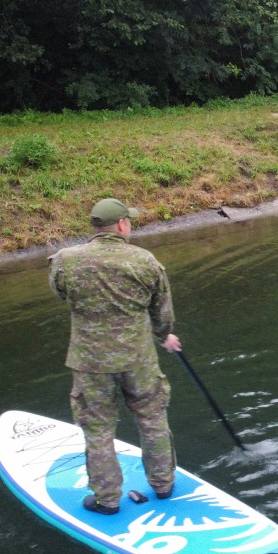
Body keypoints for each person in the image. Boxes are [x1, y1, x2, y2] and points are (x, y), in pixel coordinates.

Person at [48, 198, 182, 515]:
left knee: (98, 430)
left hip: (91, 363)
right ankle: (163, 484)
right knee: (152, 420)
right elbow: (162, 313)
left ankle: (107, 500)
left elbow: (60, 293)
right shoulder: (145, 260)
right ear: (122, 225)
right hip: (139, 360)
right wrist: (165, 334)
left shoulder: (65, 260)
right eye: (129, 221)